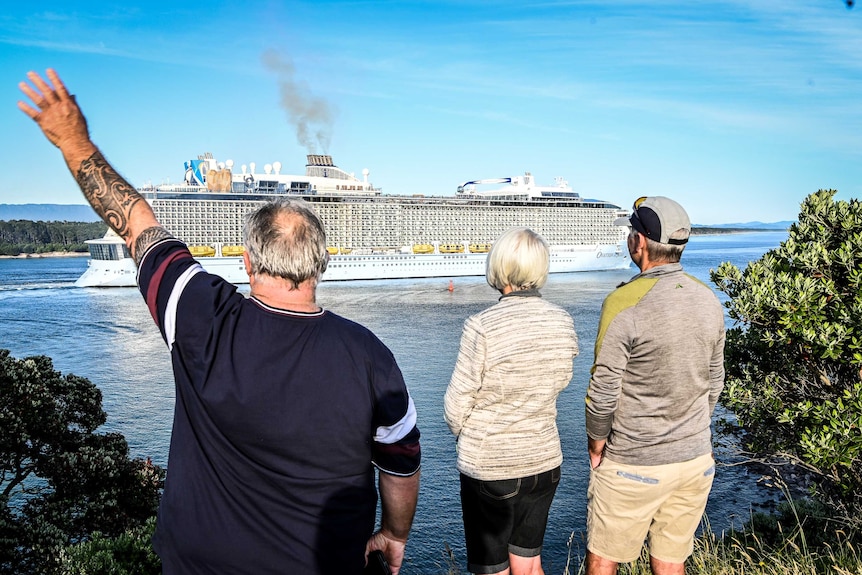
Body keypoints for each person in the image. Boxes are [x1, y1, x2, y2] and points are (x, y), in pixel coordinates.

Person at [18, 69, 421, 575]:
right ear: (322, 263)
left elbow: (136, 221)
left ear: (247, 262)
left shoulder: (200, 314)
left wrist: (72, 139)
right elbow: (402, 462)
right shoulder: (370, 355)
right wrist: (395, 532)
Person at [584, 196, 726, 575]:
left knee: (603, 558)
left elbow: (602, 392)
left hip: (634, 460)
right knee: (670, 561)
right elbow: (715, 382)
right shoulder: (708, 299)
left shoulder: (624, 301)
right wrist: (690, 429)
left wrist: (597, 445)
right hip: (695, 460)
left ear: (639, 243)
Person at [444, 227, 579, 575]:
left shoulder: (482, 326)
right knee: (530, 563)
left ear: (498, 266)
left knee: (494, 570)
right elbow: (561, 381)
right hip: (544, 460)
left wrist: (471, 437)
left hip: (491, 466)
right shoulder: (563, 322)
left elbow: (455, 404)